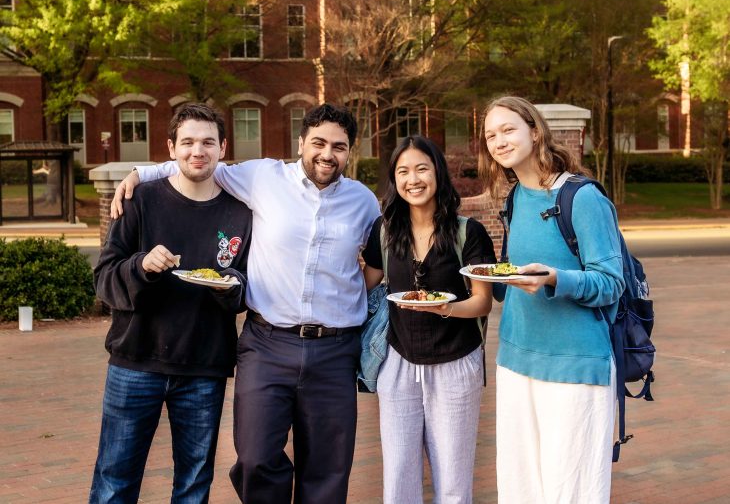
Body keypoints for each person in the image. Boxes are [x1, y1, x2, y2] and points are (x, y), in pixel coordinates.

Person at [110, 103, 381, 504]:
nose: (327, 154)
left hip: (335, 349)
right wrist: (138, 173)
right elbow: (198, 162)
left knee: (327, 467)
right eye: (318, 142)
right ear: (301, 142)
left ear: (349, 151)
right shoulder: (263, 177)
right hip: (268, 343)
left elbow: (375, 265)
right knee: (255, 459)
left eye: (338, 147)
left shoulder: (364, 201)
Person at [90, 103, 252, 503]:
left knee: (194, 488)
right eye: (188, 142)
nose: (198, 151)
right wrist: (142, 266)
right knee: (114, 482)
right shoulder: (140, 200)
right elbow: (104, 280)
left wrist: (229, 287)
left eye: (208, 142)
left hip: (204, 368)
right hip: (135, 362)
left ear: (223, 147)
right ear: (171, 148)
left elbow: (244, 288)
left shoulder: (242, 214)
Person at [478, 95, 625, 504]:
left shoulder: (582, 197)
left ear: (535, 130)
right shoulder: (513, 198)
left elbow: (611, 282)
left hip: (576, 364)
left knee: (570, 489)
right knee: (520, 486)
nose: (499, 141)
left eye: (508, 129)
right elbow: (510, 282)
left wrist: (556, 278)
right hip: (516, 360)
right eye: (491, 134)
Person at [362, 135, 495, 504]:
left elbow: (482, 303)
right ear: (394, 180)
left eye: (422, 168)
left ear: (437, 172)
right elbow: (364, 286)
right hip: (399, 362)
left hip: (456, 363)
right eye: (403, 171)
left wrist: (445, 308)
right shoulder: (386, 232)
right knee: (399, 475)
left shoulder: (468, 232)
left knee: (453, 477)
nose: (413, 179)